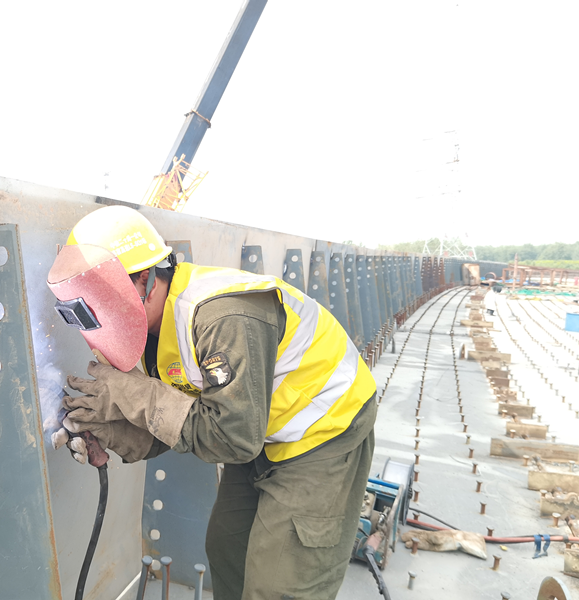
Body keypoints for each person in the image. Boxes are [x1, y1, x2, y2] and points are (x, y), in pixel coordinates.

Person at [47, 205, 377, 600]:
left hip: (324, 430)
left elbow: (232, 437)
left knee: (279, 586)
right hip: (262, 430)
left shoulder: (222, 317)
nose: (95, 320)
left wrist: (138, 393)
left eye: (98, 302)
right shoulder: (152, 329)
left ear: (144, 281)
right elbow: (181, 424)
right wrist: (115, 433)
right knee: (227, 550)